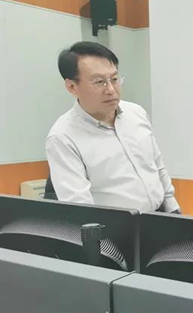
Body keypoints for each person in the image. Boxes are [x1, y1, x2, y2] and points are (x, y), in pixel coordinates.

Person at [46, 41, 180, 213]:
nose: (111, 89)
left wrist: (173, 209)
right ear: (72, 87)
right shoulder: (63, 137)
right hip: (116, 227)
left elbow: (156, 165)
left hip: (160, 215)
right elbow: (80, 207)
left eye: (115, 79)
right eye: (99, 82)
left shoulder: (136, 113)